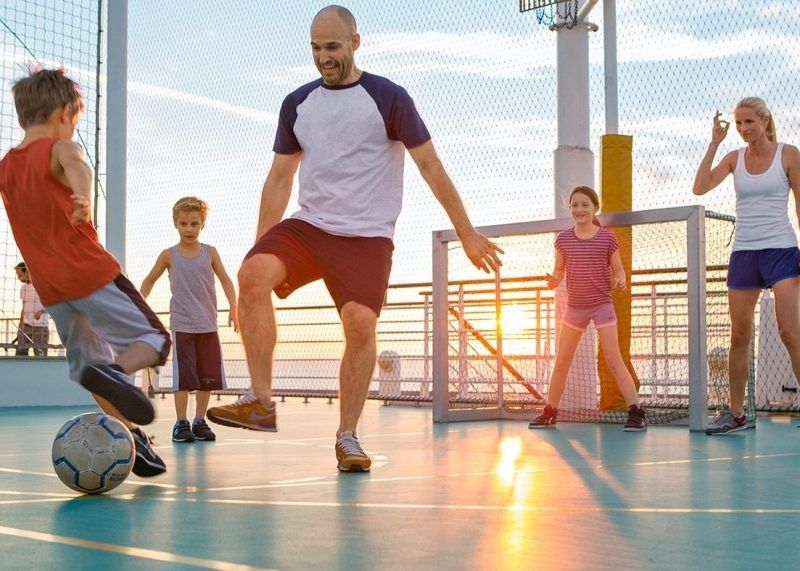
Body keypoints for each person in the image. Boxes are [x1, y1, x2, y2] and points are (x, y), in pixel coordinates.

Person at [206, 5, 503, 472]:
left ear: (355, 43)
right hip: (311, 226)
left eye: (332, 47)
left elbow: (430, 166)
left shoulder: (388, 98)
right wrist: (259, 251)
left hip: (367, 235)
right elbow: (279, 178)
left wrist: (466, 233)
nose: (323, 57)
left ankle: (347, 436)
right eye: (315, 48)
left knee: (360, 325)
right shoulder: (298, 104)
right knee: (253, 274)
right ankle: (260, 400)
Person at [0, 67, 171, 476]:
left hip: (52, 291)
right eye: (75, 121)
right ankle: (117, 373)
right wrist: (82, 195)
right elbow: (78, 163)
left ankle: (133, 438)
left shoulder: (6, 166)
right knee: (155, 339)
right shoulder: (59, 148)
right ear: (64, 113)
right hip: (89, 273)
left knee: (88, 367)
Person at [693, 97, 800, 435]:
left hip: (781, 250)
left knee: (789, 332)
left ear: (765, 121)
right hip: (744, 253)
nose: (743, 129)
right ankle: (736, 414)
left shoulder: (789, 155)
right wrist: (714, 142)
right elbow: (700, 187)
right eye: (739, 123)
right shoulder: (734, 158)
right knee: (739, 335)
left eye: (749, 122)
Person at [528, 186, 647, 431]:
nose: (579, 209)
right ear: (570, 208)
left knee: (613, 358)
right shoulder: (563, 239)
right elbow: (559, 269)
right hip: (575, 308)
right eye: (575, 205)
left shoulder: (607, 238)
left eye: (584, 205)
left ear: (595, 208)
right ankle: (549, 412)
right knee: (562, 360)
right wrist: (554, 280)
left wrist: (621, 279)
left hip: (602, 305)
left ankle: (636, 413)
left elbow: (619, 270)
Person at [140, 196, 239, 443]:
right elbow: (149, 280)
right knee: (184, 378)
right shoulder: (168, 255)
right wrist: (139, 306)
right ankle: (181, 423)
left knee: (207, 378)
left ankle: (199, 421)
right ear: (175, 224)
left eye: (194, 224)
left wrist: (234, 307)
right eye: (183, 224)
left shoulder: (210, 253)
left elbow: (226, 280)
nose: (189, 229)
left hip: (208, 325)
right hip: (182, 326)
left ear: (202, 224)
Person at [13, 261, 50, 356]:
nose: (18, 278)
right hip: (25, 326)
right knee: (20, 354)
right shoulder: (23, 288)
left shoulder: (41, 286)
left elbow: (53, 302)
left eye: (20, 275)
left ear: (27, 272)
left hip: (40, 327)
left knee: (40, 355)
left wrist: (42, 311)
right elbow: (24, 307)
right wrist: (20, 324)